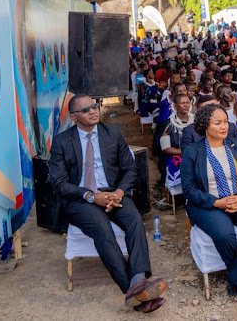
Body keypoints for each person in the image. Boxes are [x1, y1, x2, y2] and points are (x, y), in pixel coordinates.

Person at [49, 95, 167, 313]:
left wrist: (119, 193)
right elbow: (59, 183)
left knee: (134, 220)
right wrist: (91, 196)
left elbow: (130, 169)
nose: (93, 111)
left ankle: (138, 280)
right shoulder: (62, 141)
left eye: (94, 106)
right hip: (80, 199)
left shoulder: (111, 132)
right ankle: (133, 290)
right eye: (86, 110)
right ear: (74, 117)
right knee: (102, 228)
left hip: (113, 193)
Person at [180, 105, 237, 302]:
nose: (224, 126)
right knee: (224, 233)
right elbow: (189, 189)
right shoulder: (193, 151)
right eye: (217, 123)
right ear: (205, 126)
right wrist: (217, 203)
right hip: (208, 203)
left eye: (225, 121)